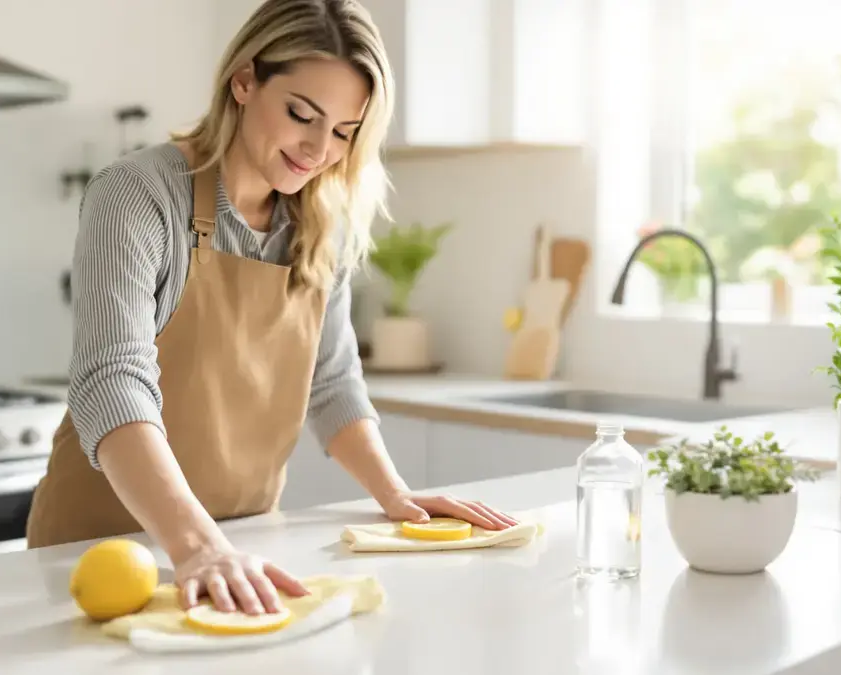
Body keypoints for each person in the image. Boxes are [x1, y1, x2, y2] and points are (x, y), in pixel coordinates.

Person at [26, 0, 517, 616]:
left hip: (240, 551)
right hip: (101, 555)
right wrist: (196, 544)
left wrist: (399, 499)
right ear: (244, 80)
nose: (318, 148)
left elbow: (332, 381)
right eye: (301, 115)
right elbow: (112, 384)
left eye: (343, 132)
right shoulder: (136, 195)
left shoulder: (317, 225)